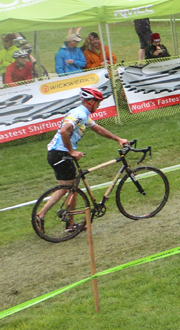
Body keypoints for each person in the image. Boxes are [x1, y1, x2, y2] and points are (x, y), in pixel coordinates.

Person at [34, 86, 130, 236]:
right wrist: (71, 151)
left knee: (65, 189)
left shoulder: (83, 114)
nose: (98, 106)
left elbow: (98, 129)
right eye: (97, 102)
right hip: (61, 154)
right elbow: (64, 130)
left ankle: (43, 216)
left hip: (56, 153)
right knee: (72, 189)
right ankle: (64, 222)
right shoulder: (79, 114)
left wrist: (117, 138)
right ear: (90, 101)